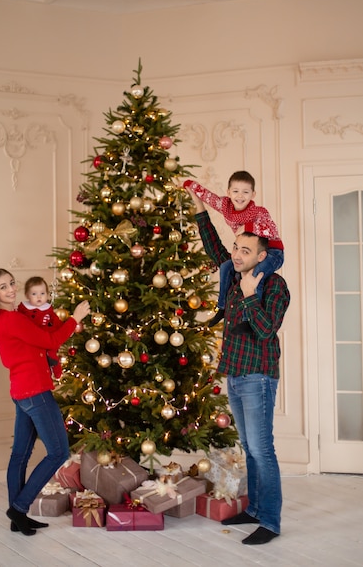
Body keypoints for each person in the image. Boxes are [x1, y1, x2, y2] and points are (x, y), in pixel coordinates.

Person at [188, 190, 290, 545]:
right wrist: (200, 208)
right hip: (235, 373)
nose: (237, 255)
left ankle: (271, 522)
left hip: (259, 378)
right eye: (236, 249)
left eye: (245, 251)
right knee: (248, 446)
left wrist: (250, 294)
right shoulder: (232, 276)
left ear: (263, 257)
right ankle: (257, 509)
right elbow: (215, 249)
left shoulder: (274, 286)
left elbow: (265, 330)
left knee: (263, 449)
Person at [0, 269, 90, 536]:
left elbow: (38, 342)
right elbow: (50, 340)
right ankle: (19, 507)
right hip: (35, 393)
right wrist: (75, 318)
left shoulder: (5, 319)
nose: (12, 289)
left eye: (12, 283)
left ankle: (18, 517)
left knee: (20, 455)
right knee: (59, 452)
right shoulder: (11, 320)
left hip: (21, 392)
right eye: (4, 287)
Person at [184, 171, 284, 327]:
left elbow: (271, 230)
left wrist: (247, 226)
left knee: (254, 276)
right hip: (230, 349)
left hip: (274, 252)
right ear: (228, 192)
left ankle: (246, 319)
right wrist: (190, 185)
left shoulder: (258, 212)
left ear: (253, 194)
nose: (240, 196)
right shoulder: (227, 207)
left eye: (245, 192)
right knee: (225, 265)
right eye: (235, 191)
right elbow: (209, 198)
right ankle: (222, 307)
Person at [18, 276, 63, 379]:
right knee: (38, 360)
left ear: (47, 294)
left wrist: (62, 327)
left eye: (42, 293)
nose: (39, 297)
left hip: (48, 338)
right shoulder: (24, 310)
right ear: (27, 295)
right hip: (34, 340)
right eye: (34, 294)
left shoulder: (48, 309)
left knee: (52, 354)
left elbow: (56, 322)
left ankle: (56, 371)